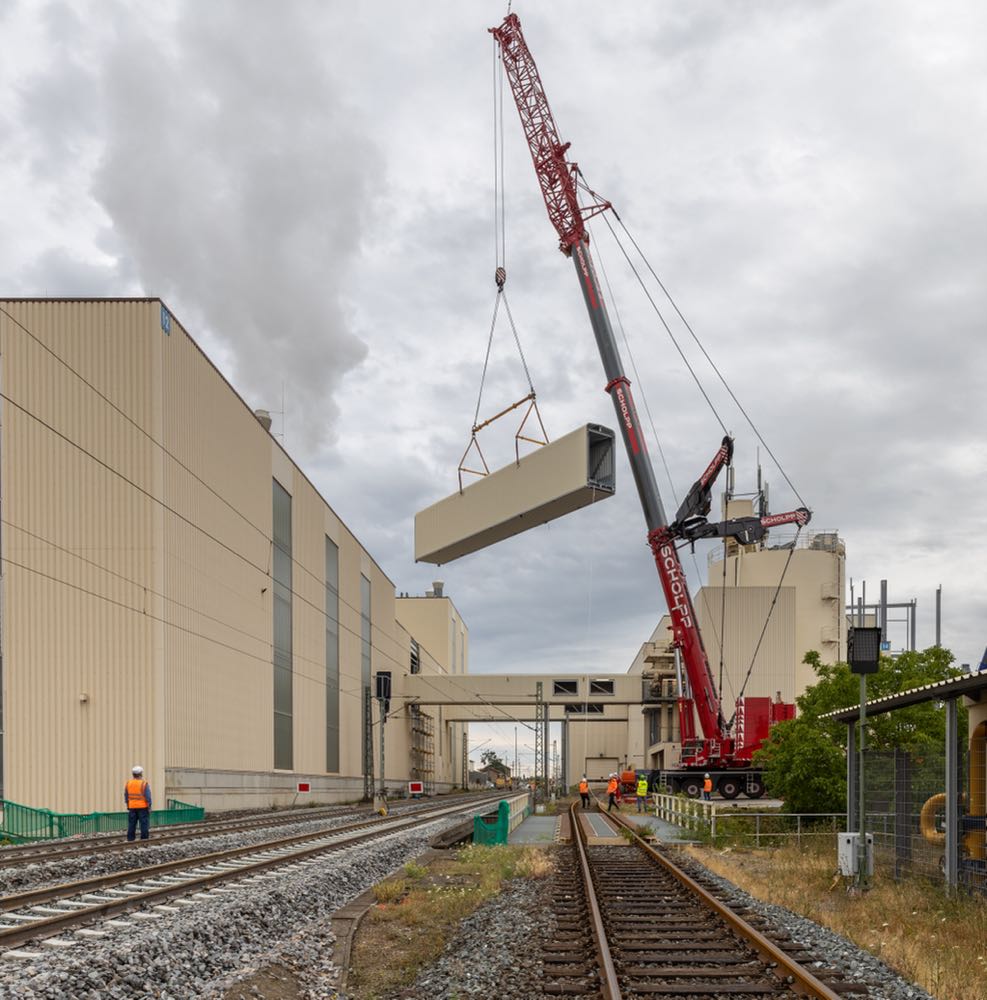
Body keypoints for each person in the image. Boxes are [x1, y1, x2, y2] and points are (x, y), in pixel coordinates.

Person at [125, 765, 152, 841]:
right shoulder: (144, 784)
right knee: (143, 824)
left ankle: (130, 839)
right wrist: (149, 806)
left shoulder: (128, 783)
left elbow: (126, 796)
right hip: (143, 807)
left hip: (132, 807)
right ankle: (144, 839)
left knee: (131, 824)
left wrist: (128, 805)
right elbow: (148, 796)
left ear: (133, 774)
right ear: (140, 774)